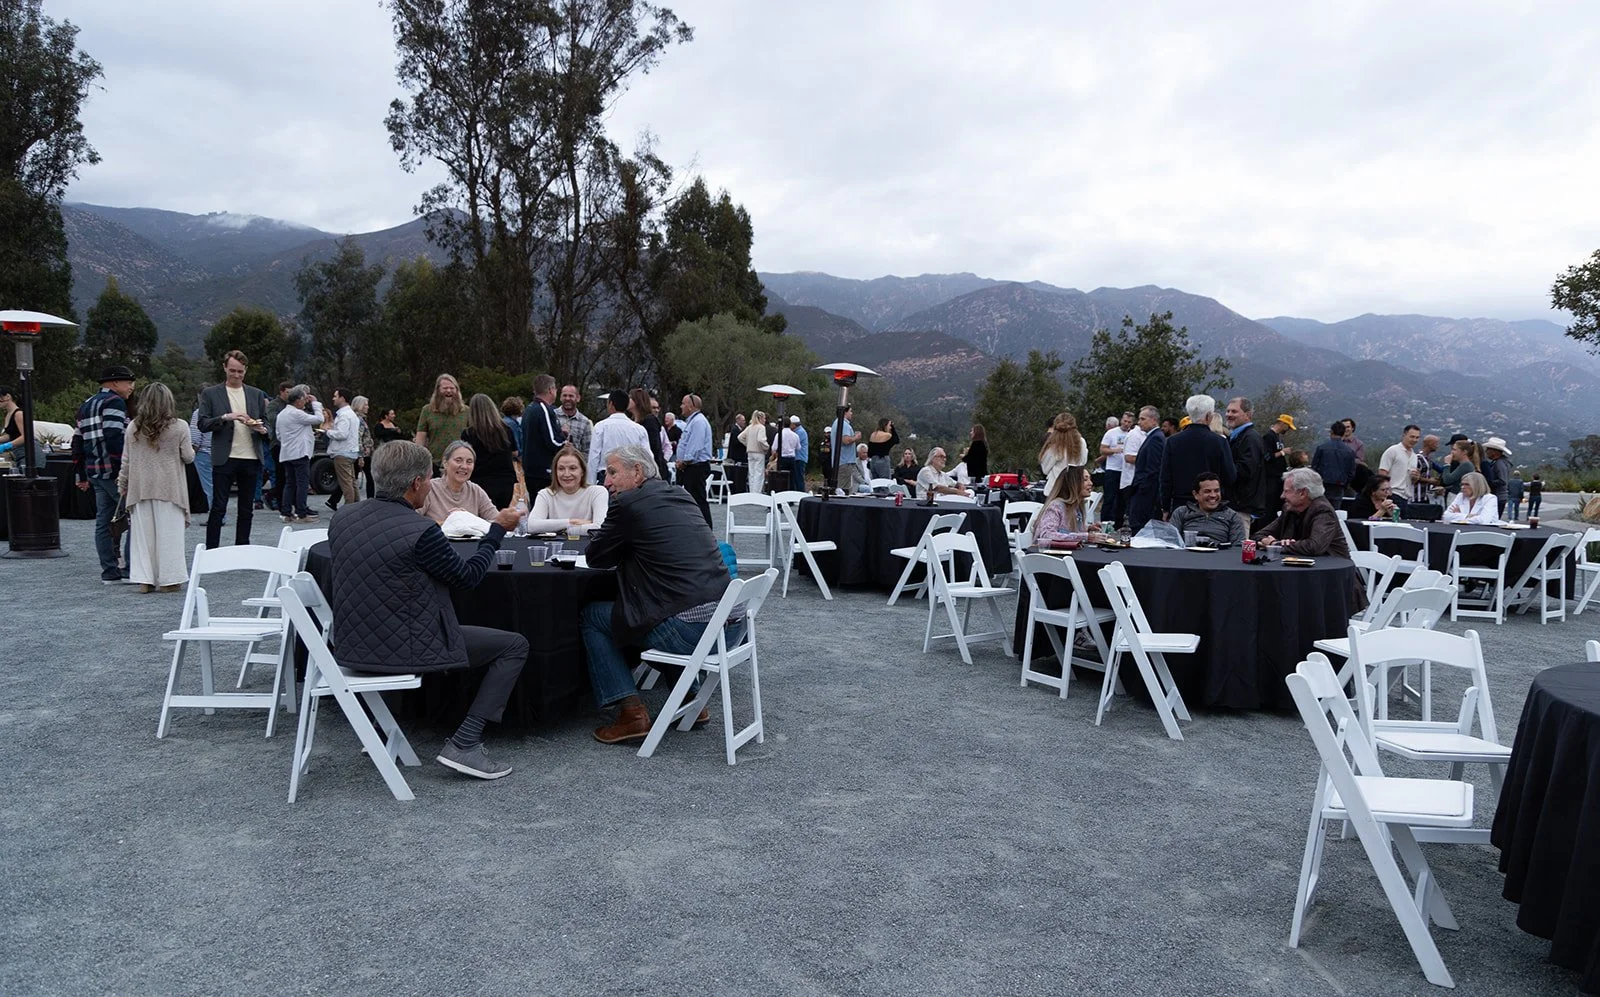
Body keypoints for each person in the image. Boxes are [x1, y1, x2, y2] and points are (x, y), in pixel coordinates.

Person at [329, 440, 527, 780]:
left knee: (386, 610)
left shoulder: (343, 517)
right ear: (417, 484)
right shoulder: (420, 532)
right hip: (403, 649)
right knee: (514, 645)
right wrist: (495, 533)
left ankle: (381, 726)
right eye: (428, 477)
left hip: (349, 645)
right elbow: (467, 578)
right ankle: (465, 744)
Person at [578, 444, 738, 745]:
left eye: (612, 472)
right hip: (729, 627)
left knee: (594, 616)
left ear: (637, 471)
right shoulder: (682, 495)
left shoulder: (627, 505)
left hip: (691, 633)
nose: (606, 482)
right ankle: (691, 699)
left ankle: (631, 713)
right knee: (658, 608)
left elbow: (595, 557)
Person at [117, 383, 194, 593]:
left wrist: (122, 484)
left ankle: (145, 580)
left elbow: (126, 461)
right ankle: (170, 580)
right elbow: (188, 457)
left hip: (140, 488)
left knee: (143, 538)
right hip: (169, 489)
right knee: (170, 537)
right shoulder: (180, 426)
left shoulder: (133, 427)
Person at [196, 350, 270, 548]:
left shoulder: (256, 394)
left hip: (251, 457)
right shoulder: (210, 393)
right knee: (219, 507)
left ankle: (242, 548)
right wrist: (225, 417)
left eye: (240, 372)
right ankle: (212, 550)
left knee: (247, 509)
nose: (236, 375)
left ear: (246, 371)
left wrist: (261, 429)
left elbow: (268, 425)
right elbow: (202, 424)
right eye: (232, 371)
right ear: (224, 368)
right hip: (224, 457)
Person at [74, 365, 135, 582]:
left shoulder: (86, 404)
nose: (131, 387)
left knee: (103, 521)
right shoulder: (114, 402)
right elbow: (114, 437)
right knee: (135, 518)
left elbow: (77, 441)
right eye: (128, 382)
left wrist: (81, 475)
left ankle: (109, 571)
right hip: (112, 472)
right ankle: (130, 568)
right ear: (114, 383)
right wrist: (123, 473)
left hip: (94, 472)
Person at [1159, 396, 1236, 516]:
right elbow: (1230, 476)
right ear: (1209, 416)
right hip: (1210, 505)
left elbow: (1165, 478)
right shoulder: (1219, 442)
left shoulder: (1172, 441)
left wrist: (1165, 507)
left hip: (1180, 504)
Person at [1252, 467, 1350, 557]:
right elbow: (1258, 535)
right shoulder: (1289, 509)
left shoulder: (1323, 511)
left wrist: (1275, 544)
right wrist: (1268, 542)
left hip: (1331, 572)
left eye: (1286, 491)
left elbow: (1314, 547)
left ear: (1303, 493)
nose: (1282, 496)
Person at [522, 444, 609, 534]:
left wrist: (562, 530)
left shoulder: (597, 492)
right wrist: (571, 522)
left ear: (582, 471)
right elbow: (531, 526)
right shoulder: (546, 494)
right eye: (561, 469)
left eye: (572, 468)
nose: (566, 474)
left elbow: (600, 528)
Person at [274, 385, 323, 523]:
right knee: (302, 484)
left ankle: (286, 512)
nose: (305, 402)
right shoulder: (297, 413)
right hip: (300, 453)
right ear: (297, 400)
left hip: (286, 453)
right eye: (303, 399)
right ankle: (301, 513)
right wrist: (315, 403)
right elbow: (319, 419)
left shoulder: (281, 414)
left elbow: (278, 435)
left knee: (290, 484)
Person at [461, 392, 518, 509]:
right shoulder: (506, 430)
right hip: (505, 481)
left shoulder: (468, 434)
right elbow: (515, 452)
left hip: (479, 482)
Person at [422, 440, 499, 523]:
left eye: (469, 462)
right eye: (458, 460)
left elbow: (497, 521)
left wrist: (467, 518)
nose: (464, 466)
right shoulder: (429, 488)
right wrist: (449, 522)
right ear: (445, 463)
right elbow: (413, 520)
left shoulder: (476, 491)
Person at [1171, 471, 1248, 546]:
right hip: (1186, 555)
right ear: (1196, 494)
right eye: (1207, 491)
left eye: (1216, 491)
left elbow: (1237, 548)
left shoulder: (1232, 516)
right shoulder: (1181, 512)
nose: (1213, 495)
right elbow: (1171, 541)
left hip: (1219, 556)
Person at [588, 389, 649, 483]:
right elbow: (647, 457)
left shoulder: (601, 427)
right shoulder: (639, 429)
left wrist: (590, 484)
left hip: (607, 477)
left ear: (610, 404)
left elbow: (594, 458)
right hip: (632, 477)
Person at [520, 374, 566, 494]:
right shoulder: (543, 409)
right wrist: (564, 437)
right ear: (550, 390)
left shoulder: (529, 408)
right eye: (555, 388)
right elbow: (552, 441)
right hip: (543, 470)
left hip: (530, 469)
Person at [674, 393, 715, 527]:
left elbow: (695, 446)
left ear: (691, 406)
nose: (681, 406)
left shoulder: (698, 422)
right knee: (691, 501)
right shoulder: (692, 421)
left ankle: (705, 530)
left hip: (695, 467)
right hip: (690, 467)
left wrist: (685, 461)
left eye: (683, 403)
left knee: (698, 501)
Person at [1223, 397, 1267, 520]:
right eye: (1228, 411)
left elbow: (1246, 470)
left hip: (1241, 507)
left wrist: (1222, 468)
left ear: (1247, 415)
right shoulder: (1236, 437)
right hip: (1235, 505)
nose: (1229, 415)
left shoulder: (1250, 438)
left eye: (1234, 411)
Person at [413, 373, 469, 466]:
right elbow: (420, 438)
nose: (448, 390)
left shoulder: (466, 411)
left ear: (457, 390)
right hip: (434, 463)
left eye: (452, 388)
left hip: (460, 464)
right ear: (438, 390)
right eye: (445, 388)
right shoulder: (427, 410)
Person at [1125, 406, 1165, 531]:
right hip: (1144, 490)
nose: (1139, 422)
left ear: (1154, 420)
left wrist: (1142, 490)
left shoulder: (1156, 438)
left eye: (1142, 419)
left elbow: (1153, 468)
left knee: (1138, 525)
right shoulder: (1152, 437)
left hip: (1146, 493)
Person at [1032, 464, 1098, 541]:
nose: (1091, 483)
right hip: (1048, 552)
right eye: (1085, 480)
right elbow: (1046, 534)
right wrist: (1085, 536)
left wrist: (1088, 529)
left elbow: (1067, 530)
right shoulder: (1056, 506)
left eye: (1090, 479)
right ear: (1072, 484)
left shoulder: (1076, 507)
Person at [323, 387, 362, 513]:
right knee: (352, 482)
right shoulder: (351, 414)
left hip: (342, 452)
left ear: (342, 398)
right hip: (350, 451)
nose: (333, 398)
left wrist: (327, 432)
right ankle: (356, 507)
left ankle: (349, 509)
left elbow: (342, 434)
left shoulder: (344, 415)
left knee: (346, 483)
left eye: (335, 396)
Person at [629, 387, 671, 482]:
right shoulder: (633, 421)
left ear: (637, 401)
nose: (628, 400)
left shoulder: (650, 421)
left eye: (631, 398)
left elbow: (654, 447)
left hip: (652, 471)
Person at [1039, 412, 1087, 491]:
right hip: (1075, 488)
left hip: (1056, 488)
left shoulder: (1054, 444)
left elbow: (1045, 469)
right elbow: (1083, 462)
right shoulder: (1081, 442)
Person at [1310, 421, 1356, 499]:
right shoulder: (1349, 451)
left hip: (1322, 484)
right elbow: (1351, 472)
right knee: (1336, 509)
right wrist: (1346, 483)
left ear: (1331, 432)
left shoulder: (1322, 448)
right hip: (1339, 485)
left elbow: (1314, 467)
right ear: (1343, 433)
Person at [1098, 414, 1130, 527]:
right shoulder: (1111, 433)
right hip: (1112, 469)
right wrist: (1113, 450)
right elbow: (1102, 449)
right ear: (1121, 420)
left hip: (1125, 470)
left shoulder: (1132, 434)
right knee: (1109, 497)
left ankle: (1119, 524)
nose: (1126, 424)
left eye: (1129, 422)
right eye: (1125, 421)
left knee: (1122, 499)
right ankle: (1104, 522)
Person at [263, 381, 291, 511]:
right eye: (287, 392)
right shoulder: (274, 405)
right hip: (277, 443)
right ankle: (275, 498)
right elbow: (272, 420)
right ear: (281, 392)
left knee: (288, 476)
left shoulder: (291, 405)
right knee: (280, 475)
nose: (289, 395)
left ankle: (283, 500)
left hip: (290, 443)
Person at [1378, 425, 1421, 503]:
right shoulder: (1393, 451)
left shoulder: (1415, 456)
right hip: (1392, 494)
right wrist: (1386, 491)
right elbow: (1382, 473)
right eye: (1412, 437)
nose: (1414, 440)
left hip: (1406, 497)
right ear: (1404, 435)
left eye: (1417, 437)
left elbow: (1411, 481)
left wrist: (1415, 478)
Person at [1261, 414, 1293, 516]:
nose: (1287, 430)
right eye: (1287, 427)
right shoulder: (1269, 437)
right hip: (1270, 478)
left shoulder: (1278, 437)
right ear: (1282, 424)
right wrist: (1282, 452)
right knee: (1269, 506)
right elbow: (1267, 456)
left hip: (1278, 477)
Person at [188, 391, 213, 509]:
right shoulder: (220, 411)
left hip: (203, 452)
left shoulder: (198, 413)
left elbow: (195, 435)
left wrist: (192, 452)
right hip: (219, 452)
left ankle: (214, 514)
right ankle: (220, 513)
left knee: (207, 486)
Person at [736, 410, 770, 494]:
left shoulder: (750, 427)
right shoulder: (761, 427)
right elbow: (761, 440)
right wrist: (766, 447)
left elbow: (740, 437)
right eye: (764, 418)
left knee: (751, 473)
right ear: (760, 418)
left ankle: (751, 492)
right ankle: (757, 493)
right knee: (759, 473)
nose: (765, 420)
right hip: (759, 452)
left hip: (750, 452)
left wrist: (748, 444)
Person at [555, 384, 592, 459]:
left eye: (571, 396)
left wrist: (574, 452)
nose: (567, 398)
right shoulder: (552, 416)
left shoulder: (585, 422)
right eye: (564, 395)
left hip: (574, 466)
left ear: (578, 398)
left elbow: (588, 451)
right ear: (560, 398)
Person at [351, 395, 377, 499]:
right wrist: (361, 456)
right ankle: (370, 498)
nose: (368, 407)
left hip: (363, 452)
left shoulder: (360, 419)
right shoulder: (359, 420)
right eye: (365, 405)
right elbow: (358, 438)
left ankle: (334, 499)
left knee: (354, 476)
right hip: (363, 453)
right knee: (369, 477)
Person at [1481, 437, 1513, 510]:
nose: (1486, 451)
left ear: (1494, 452)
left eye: (1488, 449)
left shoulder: (1499, 463)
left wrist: (1487, 482)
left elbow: (1502, 481)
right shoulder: (1499, 462)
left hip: (1498, 497)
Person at [725, 412, 748, 494]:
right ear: (738, 420)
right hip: (737, 456)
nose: (744, 422)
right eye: (742, 420)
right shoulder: (735, 430)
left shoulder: (737, 429)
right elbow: (736, 442)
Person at [777, 416, 800, 484]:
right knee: (792, 478)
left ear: (782, 424)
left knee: (781, 478)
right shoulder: (795, 435)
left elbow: (774, 447)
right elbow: (798, 447)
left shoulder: (779, 435)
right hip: (791, 458)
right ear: (790, 424)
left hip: (782, 458)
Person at [790, 415, 809, 492]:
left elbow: (793, 444)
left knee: (799, 478)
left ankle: (801, 494)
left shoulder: (800, 432)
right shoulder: (798, 432)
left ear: (794, 424)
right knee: (796, 478)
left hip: (799, 458)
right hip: (798, 458)